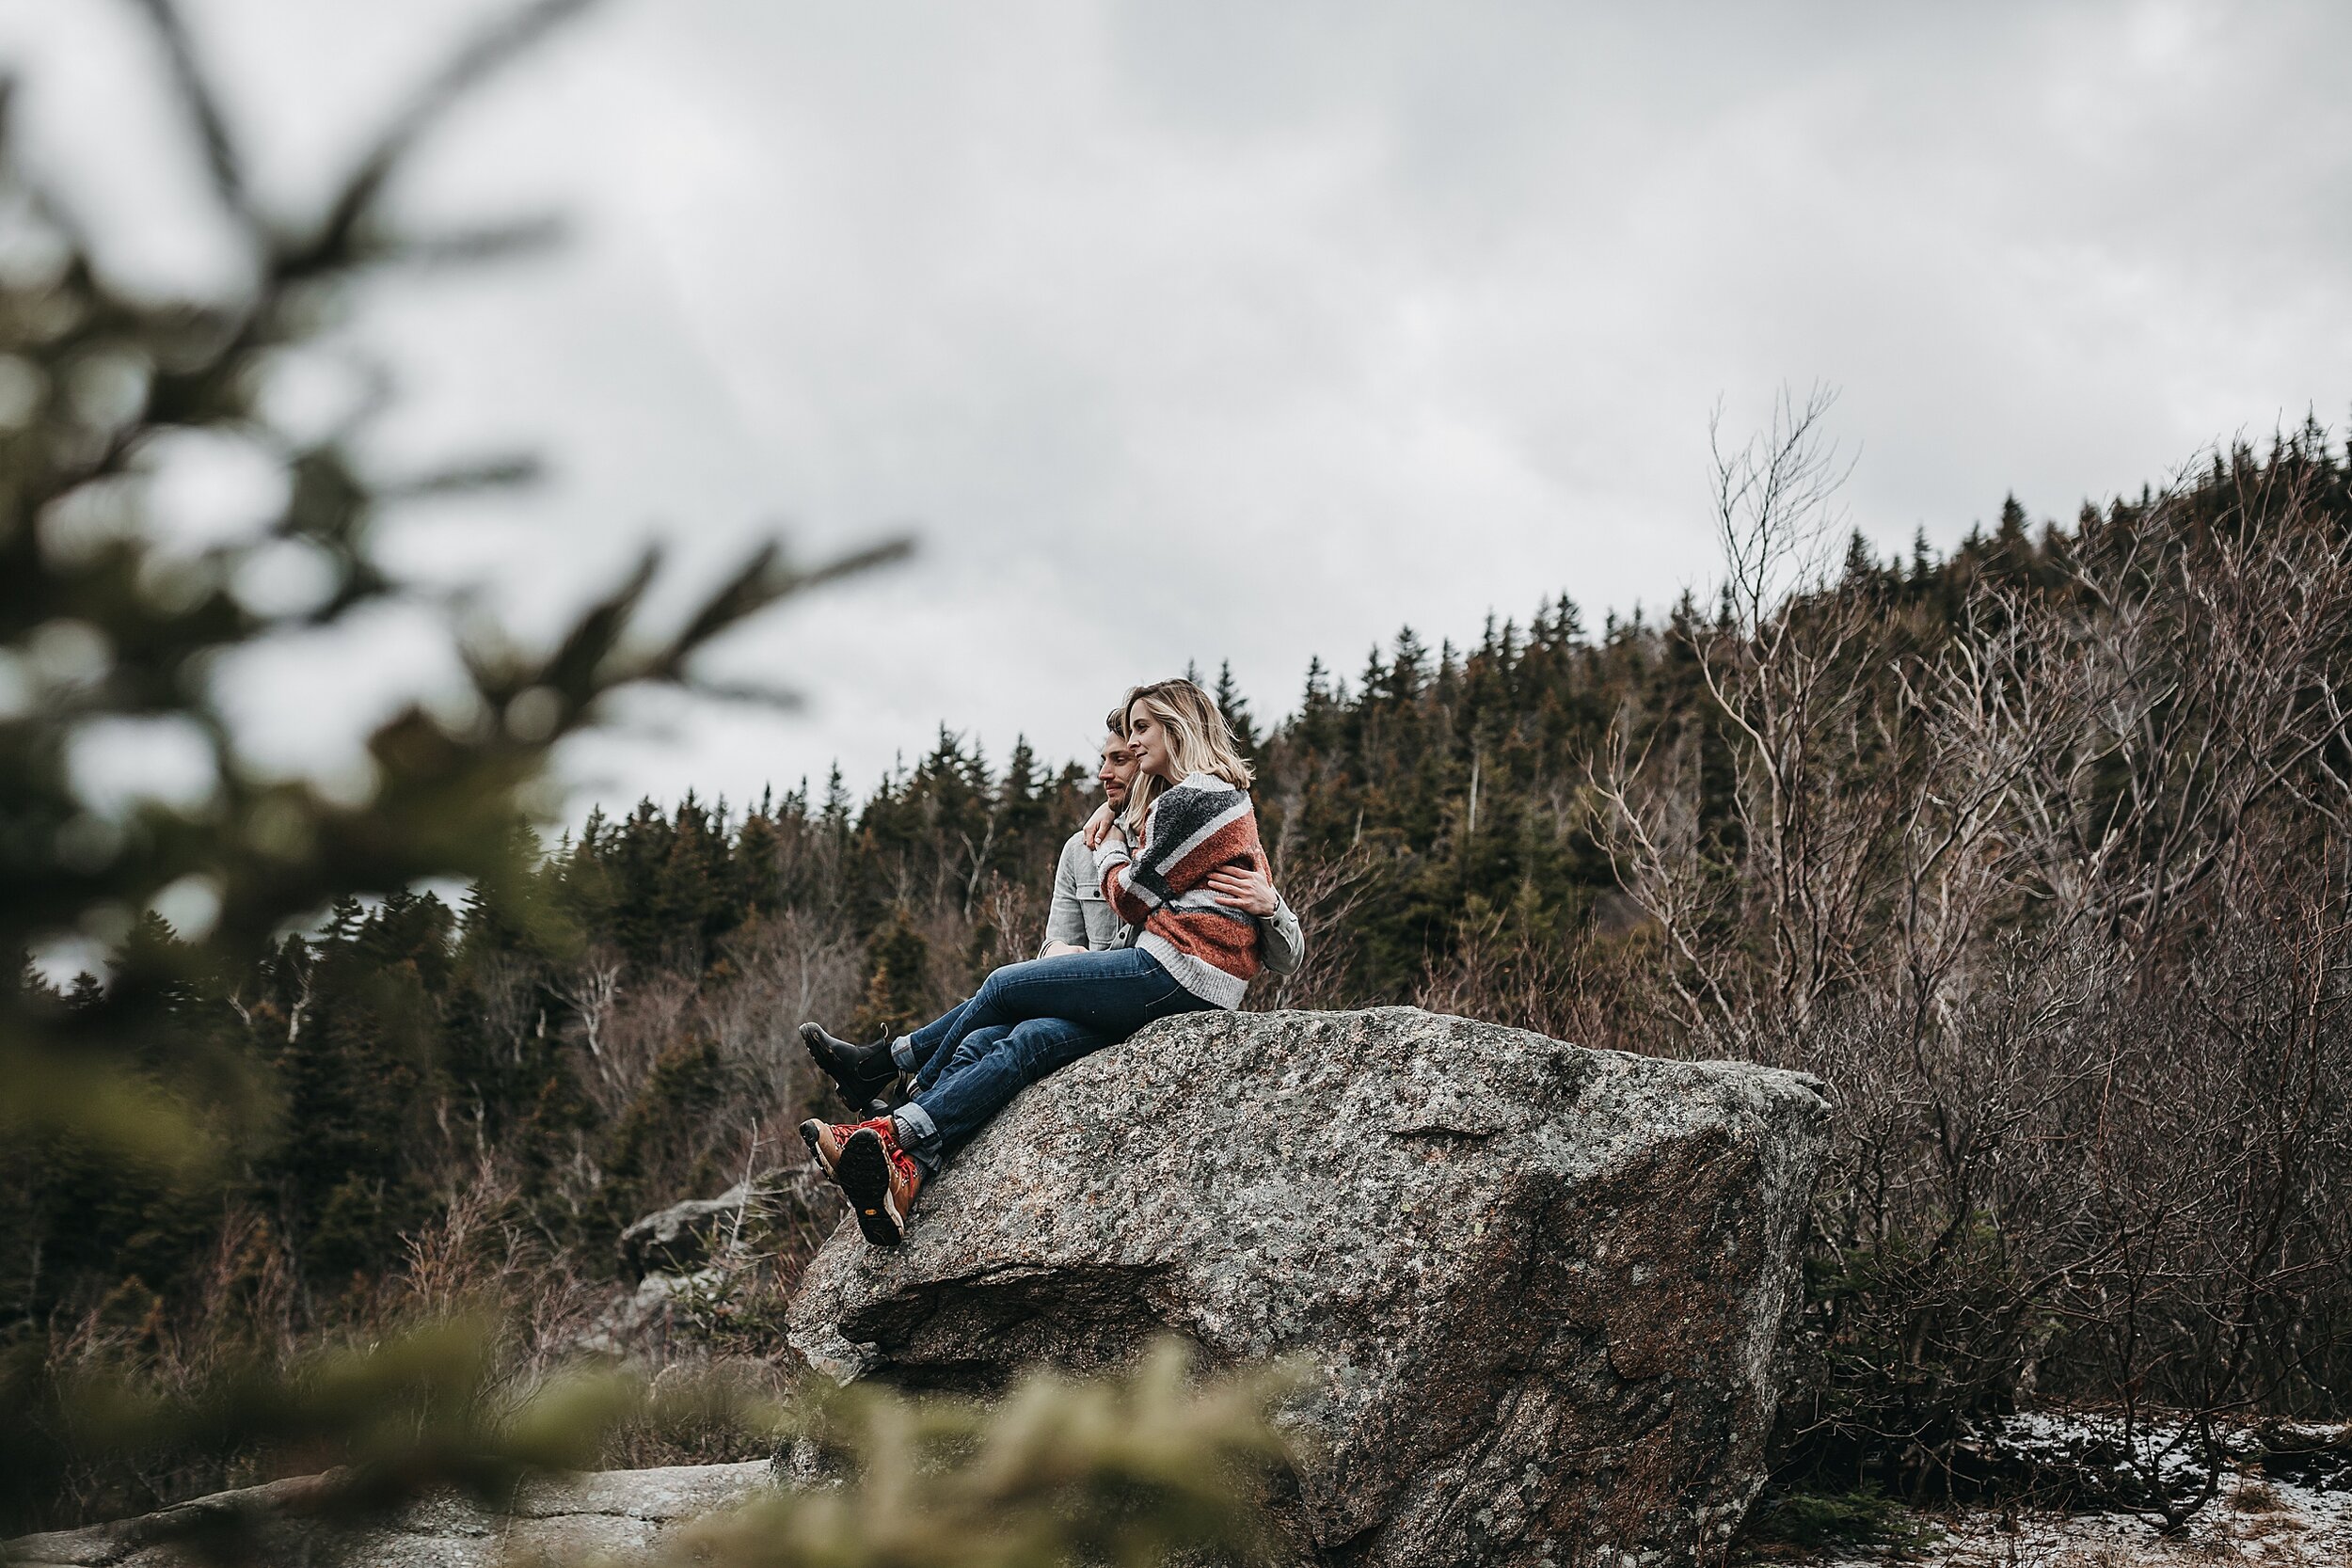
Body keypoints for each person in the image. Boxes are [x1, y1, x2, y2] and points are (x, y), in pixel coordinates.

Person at [800, 678, 1272, 1245]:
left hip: (1175, 974)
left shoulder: (1197, 799)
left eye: (1141, 730)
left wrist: (1112, 848)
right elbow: (1099, 918)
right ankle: (901, 1160)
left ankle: (891, 1085)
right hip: (1174, 975)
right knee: (1028, 1038)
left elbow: (1133, 897)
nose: (1131, 747)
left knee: (1002, 986)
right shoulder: (1194, 800)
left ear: (1177, 726)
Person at [805, 707, 1304, 1118]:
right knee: (993, 1038)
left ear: (1147, 764)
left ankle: (891, 1082)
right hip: (1096, 990)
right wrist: (1061, 954)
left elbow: (1284, 957)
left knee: (1006, 996)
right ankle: (899, 1129)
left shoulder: (1197, 827)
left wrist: (1273, 906)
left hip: (1152, 989)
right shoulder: (1079, 849)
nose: (1105, 772)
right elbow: (1055, 942)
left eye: (1121, 758)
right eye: (1105, 759)